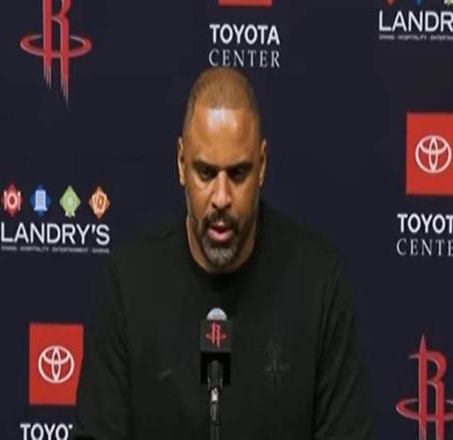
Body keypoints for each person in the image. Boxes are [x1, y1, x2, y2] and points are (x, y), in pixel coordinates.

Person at [72, 67, 372, 439]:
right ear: (181, 164)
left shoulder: (319, 283)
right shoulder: (129, 282)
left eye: (239, 173)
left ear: (262, 166)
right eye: (205, 172)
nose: (221, 197)